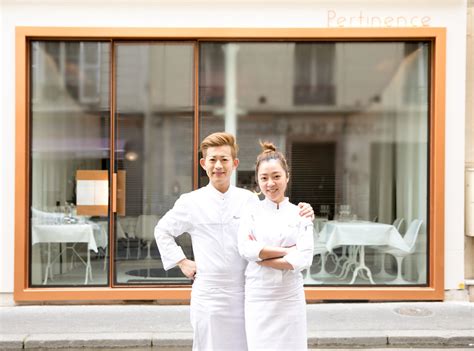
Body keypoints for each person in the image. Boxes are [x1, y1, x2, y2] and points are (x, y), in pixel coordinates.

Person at [154, 132, 313, 351]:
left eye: (224, 159)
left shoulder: (248, 200)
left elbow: (276, 213)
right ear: (203, 164)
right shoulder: (190, 202)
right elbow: (162, 230)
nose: (218, 165)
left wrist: (305, 211)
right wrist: (182, 261)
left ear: (235, 164)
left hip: (244, 293)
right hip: (209, 294)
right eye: (212, 160)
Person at [238, 141, 314, 351]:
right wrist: (287, 252)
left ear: (287, 177)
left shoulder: (301, 213)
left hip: (290, 296)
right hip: (258, 295)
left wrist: (263, 258)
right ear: (257, 181)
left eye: (276, 176)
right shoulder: (251, 212)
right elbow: (246, 249)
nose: (270, 183)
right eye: (264, 178)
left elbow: (304, 258)